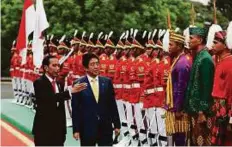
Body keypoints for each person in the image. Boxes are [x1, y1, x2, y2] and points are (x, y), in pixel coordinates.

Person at [32, 55, 86, 146]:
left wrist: (63, 131)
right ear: (46, 68)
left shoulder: (58, 83)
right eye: (54, 65)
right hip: (44, 130)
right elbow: (49, 99)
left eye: (58, 65)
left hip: (58, 132)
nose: (58, 68)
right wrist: (69, 92)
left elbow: (60, 107)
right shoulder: (39, 82)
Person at [72, 53, 121, 146]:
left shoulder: (106, 82)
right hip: (87, 128)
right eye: (92, 64)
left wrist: (117, 124)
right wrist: (76, 129)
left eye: (97, 64)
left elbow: (112, 105)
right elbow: (76, 109)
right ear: (86, 68)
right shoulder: (78, 84)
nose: (96, 67)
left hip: (105, 126)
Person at [184, 27, 215, 146]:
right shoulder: (198, 57)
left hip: (202, 112)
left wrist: (202, 111)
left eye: (191, 38)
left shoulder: (205, 59)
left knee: (202, 142)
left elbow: (207, 87)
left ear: (200, 39)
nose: (188, 40)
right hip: (194, 110)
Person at [165, 32, 191, 146]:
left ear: (179, 46)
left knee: (180, 139)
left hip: (178, 109)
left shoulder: (182, 62)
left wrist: (179, 108)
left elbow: (182, 87)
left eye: (171, 45)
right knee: (175, 138)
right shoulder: (177, 60)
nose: (168, 47)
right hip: (174, 106)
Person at [211, 31, 232, 145]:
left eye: (215, 42)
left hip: (226, 113)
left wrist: (230, 118)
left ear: (225, 44)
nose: (212, 45)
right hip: (219, 111)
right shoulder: (221, 61)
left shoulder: (229, 63)